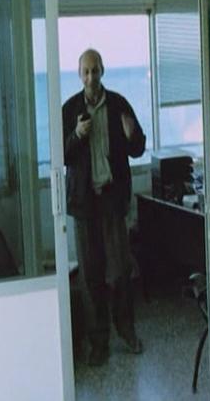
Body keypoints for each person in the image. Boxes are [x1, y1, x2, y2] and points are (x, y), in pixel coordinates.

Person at [62, 48, 146, 366]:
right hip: (84, 204)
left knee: (120, 271)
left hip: (112, 200)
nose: (91, 77)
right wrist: (76, 135)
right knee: (90, 276)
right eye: (85, 71)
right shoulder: (70, 109)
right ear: (79, 74)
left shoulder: (119, 104)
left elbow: (138, 148)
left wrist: (132, 134)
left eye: (95, 70)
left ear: (103, 71)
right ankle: (99, 343)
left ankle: (127, 331)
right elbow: (61, 156)